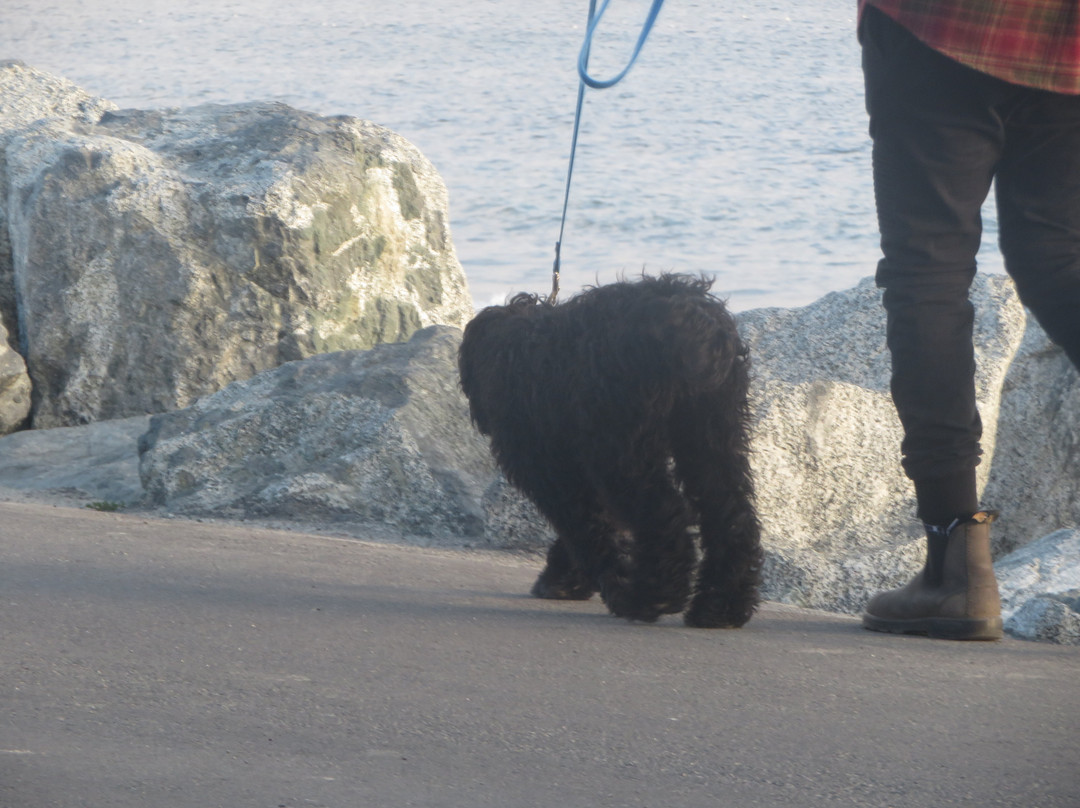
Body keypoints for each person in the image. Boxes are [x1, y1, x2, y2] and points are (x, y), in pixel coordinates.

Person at [857, 0, 1080, 640]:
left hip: (945, 25)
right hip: (1065, 49)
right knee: (1057, 259)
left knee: (927, 269)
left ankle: (957, 567)